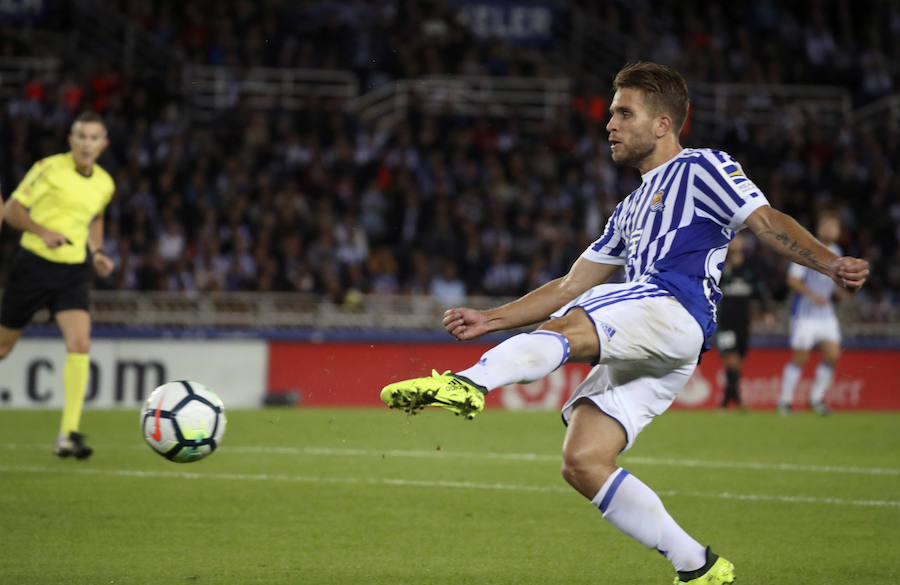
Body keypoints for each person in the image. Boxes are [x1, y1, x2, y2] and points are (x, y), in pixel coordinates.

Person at [379, 62, 869, 585]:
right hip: (659, 340)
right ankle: (699, 567)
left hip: (672, 307)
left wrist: (829, 262)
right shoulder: (629, 209)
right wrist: (490, 318)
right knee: (584, 460)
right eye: (611, 113)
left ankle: (469, 384)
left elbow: (766, 221)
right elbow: (569, 284)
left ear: (662, 124)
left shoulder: (703, 167)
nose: (609, 124)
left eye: (622, 113)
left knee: (569, 327)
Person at [0, 111, 115, 459]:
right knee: (3, 348)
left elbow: (95, 218)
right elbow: (10, 211)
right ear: (71, 140)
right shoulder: (49, 168)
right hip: (33, 265)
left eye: (94, 138)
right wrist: (42, 230)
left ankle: (68, 434)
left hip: (73, 272)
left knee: (80, 343)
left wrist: (96, 253)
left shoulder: (105, 184)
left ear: (103, 144)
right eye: (81, 137)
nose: (86, 144)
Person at [777, 212, 846, 416]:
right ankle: (785, 401)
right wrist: (812, 295)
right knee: (800, 358)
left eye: (835, 227)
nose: (831, 230)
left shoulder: (837, 252)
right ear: (820, 228)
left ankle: (816, 398)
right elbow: (792, 280)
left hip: (825, 314)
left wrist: (840, 292)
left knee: (832, 355)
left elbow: (829, 283)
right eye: (828, 226)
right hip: (804, 314)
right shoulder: (806, 249)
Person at [714, 232, 773, 410]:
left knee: (738, 361)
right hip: (725, 321)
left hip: (743, 322)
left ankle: (730, 399)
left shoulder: (750, 267)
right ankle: (729, 401)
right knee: (730, 359)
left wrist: (766, 311)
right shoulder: (720, 266)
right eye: (733, 239)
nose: (736, 242)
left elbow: (760, 291)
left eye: (738, 239)